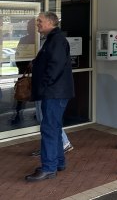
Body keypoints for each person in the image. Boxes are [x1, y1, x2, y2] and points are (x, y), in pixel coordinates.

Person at [25, 12, 75, 182]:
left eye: (40, 21)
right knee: (54, 127)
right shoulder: (53, 39)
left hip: (53, 93)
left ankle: (48, 168)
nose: (37, 23)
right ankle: (58, 163)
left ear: (50, 23)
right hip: (55, 92)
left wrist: (43, 85)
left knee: (48, 129)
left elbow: (55, 68)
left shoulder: (56, 40)